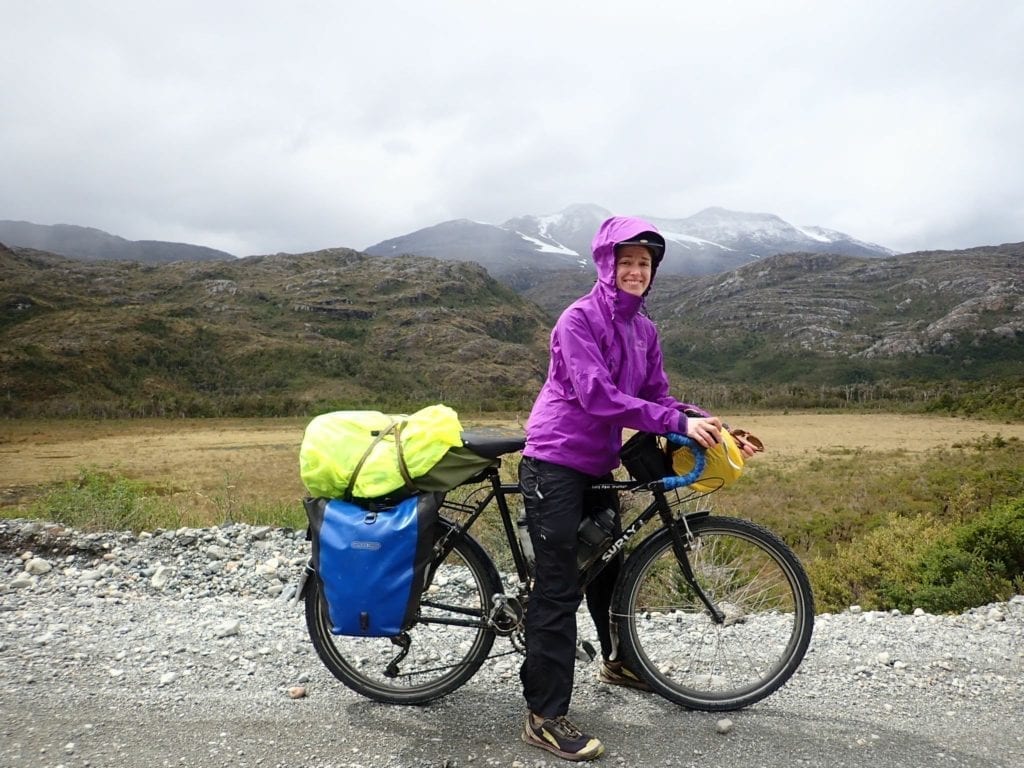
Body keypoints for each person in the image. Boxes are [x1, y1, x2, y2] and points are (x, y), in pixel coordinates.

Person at [518, 215, 749, 762]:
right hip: (554, 458)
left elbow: (659, 399)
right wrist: (674, 423)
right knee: (560, 586)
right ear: (606, 264)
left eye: (645, 264)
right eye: (627, 262)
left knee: (609, 568)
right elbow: (596, 397)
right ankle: (544, 716)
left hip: (597, 460)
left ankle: (617, 661)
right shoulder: (577, 319)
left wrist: (705, 422)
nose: (636, 271)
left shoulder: (644, 330)